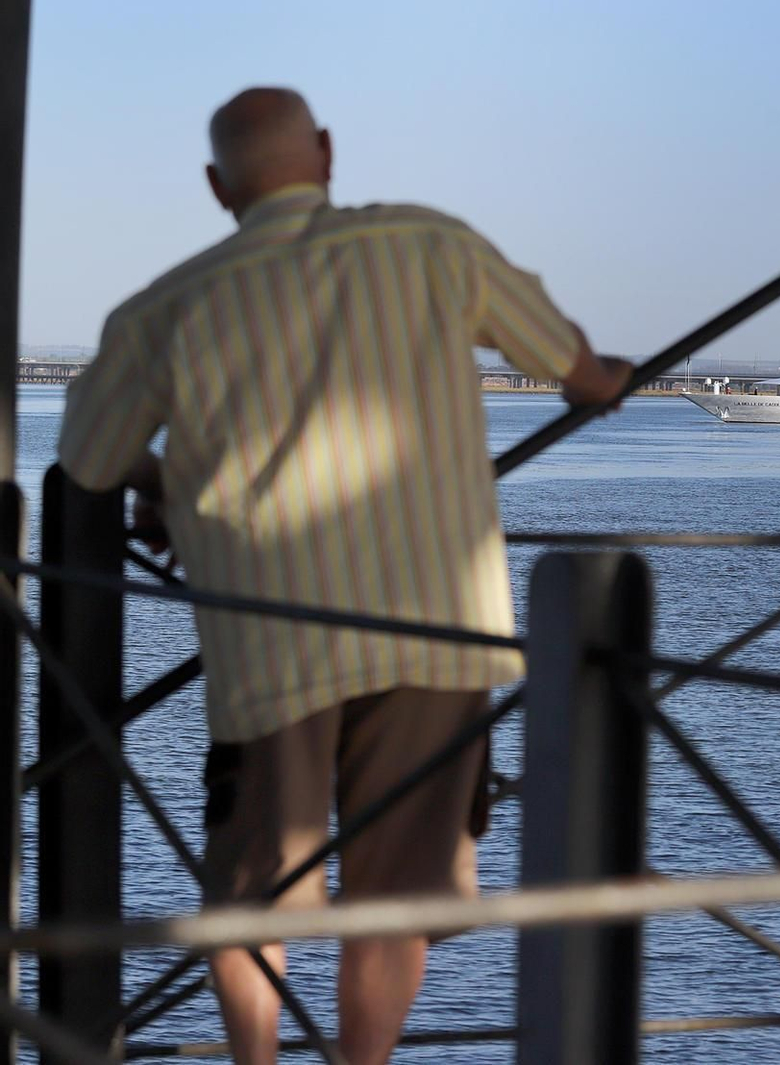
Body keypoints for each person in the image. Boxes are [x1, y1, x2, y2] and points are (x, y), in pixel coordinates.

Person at [56, 87, 631, 1064]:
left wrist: (171, 482)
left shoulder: (166, 307)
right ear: (325, 150)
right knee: (397, 894)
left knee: (252, 888)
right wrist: (608, 380)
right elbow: (570, 365)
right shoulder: (429, 245)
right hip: (436, 627)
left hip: (270, 644)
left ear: (214, 186)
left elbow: (86, 460)